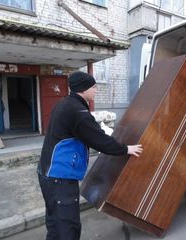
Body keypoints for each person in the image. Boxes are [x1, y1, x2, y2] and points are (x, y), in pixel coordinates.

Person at [37, 71, 143, 240]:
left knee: (55, 222)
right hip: (60, 176)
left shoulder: (65, 103)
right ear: (83, 89)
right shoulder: (77, 111)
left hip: (48, 173)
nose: (96, 90)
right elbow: (98, 139)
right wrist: (126, 149)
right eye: (93, 87)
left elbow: (89, 131)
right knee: (67, 227)